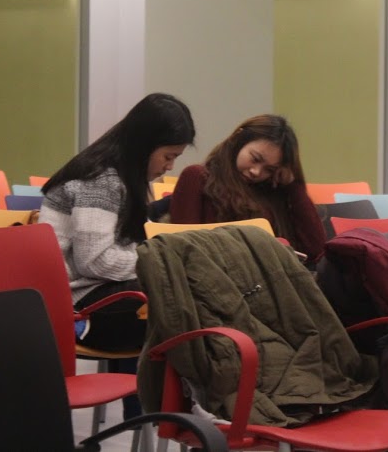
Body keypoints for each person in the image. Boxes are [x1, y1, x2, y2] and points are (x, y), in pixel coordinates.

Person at [39, 92, 196, 352]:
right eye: (168, 156)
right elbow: (95, 261)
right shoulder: (101, 181)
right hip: (76, 304)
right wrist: (158, 262)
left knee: (187, 295)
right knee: (182, 303)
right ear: (144, 146)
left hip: (101, 290)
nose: (170, 167)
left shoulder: (124, 179)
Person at [169, 114, 326, 263]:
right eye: (255, 159)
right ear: (238, 139)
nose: (256, 172)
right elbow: (182, 249)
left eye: (269, 170)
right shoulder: (197, 177)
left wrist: (294, 186)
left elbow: (316, 251)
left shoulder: (272, 191)